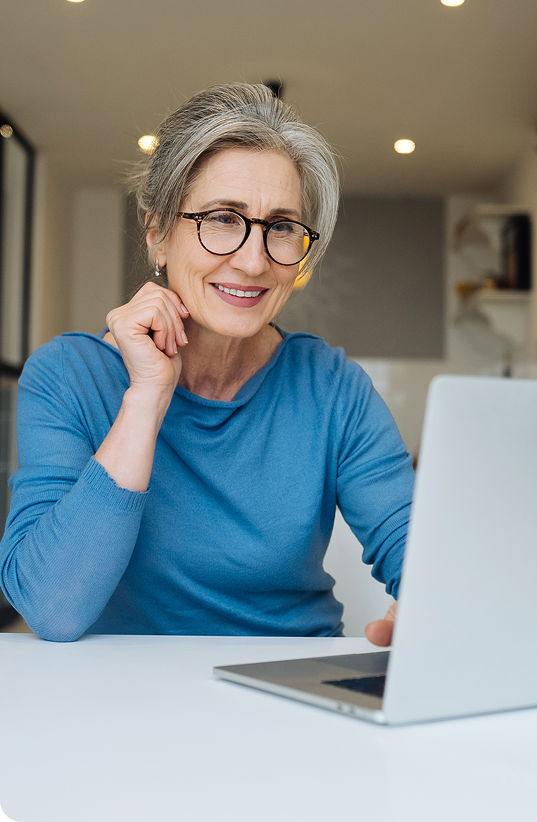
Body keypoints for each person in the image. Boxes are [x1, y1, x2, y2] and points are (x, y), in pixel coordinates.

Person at [0, 83, 412, 644]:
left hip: (293, 677)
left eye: (281, 227)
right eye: (222, 218)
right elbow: (52, 607)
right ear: (157, 236)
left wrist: (430, 603)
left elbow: (416, 546)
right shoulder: (68, 376)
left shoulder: (332, 386)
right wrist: (146, 397)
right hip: (122, 689)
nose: (253, 261)